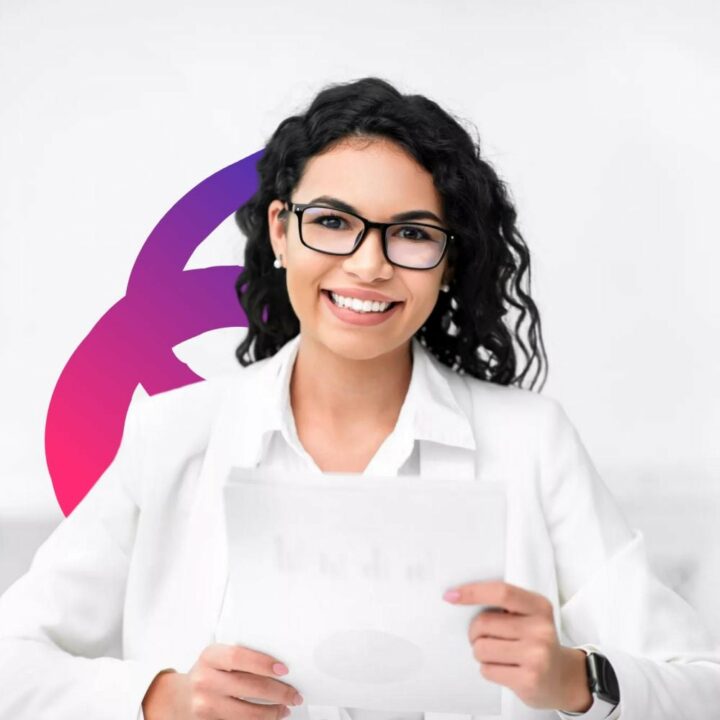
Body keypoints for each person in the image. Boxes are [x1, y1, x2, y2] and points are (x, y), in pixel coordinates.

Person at [0, 76, 718, 720]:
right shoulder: (174, 434)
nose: (369, 265)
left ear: (449, 260)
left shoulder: (531, 443)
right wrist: (165, 699)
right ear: (281, 230)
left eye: (411, 233)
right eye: (334, 223)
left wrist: (575, 678)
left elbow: (702, 685)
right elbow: (12, 663)